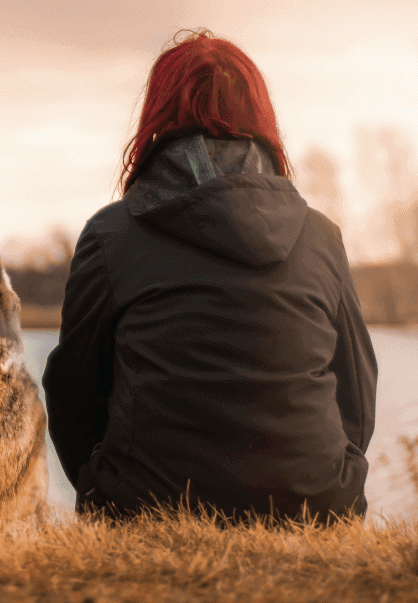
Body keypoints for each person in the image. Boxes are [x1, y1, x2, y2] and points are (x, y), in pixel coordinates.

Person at [42, 30, 376, 522]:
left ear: (157, 117)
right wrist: (327, 479)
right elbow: (357, 393)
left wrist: (103, 486)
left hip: (147, 506)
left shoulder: (111, 234)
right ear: (261, 118)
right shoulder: (320, 236)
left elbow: (73, 392)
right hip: (314, 507)